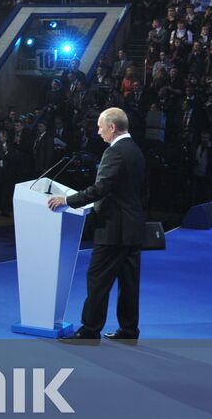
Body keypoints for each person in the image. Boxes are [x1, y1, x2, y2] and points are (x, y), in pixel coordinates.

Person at [48, 107, 148, 341]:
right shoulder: (136, 150)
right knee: (129, 283)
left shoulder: (114, 152)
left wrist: (67, 200)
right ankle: (129, 329)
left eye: (100, 126)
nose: (98, 131)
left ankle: (90, 329)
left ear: (112, 127)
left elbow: (101, 188)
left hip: (114, 228)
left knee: (98, 280)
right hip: (132, 226)